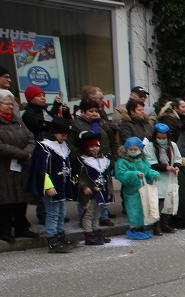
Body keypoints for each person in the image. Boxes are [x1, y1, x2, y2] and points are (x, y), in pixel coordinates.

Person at [28, 117, 77, 253]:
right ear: (54, 132)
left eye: (66, 135)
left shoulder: (62, 146)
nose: (65, 137)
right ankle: (52, 239)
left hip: (62, 185)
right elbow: (40, 169)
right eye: (63, 134)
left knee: (61, 212)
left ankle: (60, 235)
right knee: (53, 213)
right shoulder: (44, 147)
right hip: (52, 187)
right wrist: (48, 186)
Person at [0, 89, 38, 242]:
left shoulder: (17, 119)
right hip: (4, 167)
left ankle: (22, 228)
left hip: (21, 165)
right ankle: (4, 231)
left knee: (21, 197)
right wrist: (22, 153)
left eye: (12, 104)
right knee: (5, 199)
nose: (10, 107)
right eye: (7, 104)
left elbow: (31, 138)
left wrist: (29, 151)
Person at [114, 137, 160, 240]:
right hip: (131, 191)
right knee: (133, 210)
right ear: (126, 149)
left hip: (143, 189)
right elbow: (121, 174)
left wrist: (154, 174)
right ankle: (134, 229)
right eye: (131, 149)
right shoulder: (122, 161)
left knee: (143, 208)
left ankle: (142, 228)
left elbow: (147, 170)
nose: (133, 151)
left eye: (135, 149)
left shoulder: (142, 160)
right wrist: (134, 174)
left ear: (140, 149)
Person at [73, 131, 112, 245]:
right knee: (88, 214)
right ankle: (88, 235)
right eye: (91, 146)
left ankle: (96, 232)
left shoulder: (103, 160)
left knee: (97, 214)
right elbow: (75, 177)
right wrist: (83, 187)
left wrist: (109, 190)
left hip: (101, 192)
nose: (94, 149)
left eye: (96, 146)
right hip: (88, 193)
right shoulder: (81, 161)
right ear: (86, 147)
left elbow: (108, 177)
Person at [145, 123, 180, 234]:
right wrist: (166, 167)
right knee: (158, 203)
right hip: (157, 178)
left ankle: (165, 224)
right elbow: (151, 163)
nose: (161, 140)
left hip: (170, 177)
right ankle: (156, 226)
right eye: (159, 138)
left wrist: (176, 166)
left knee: (168, 202)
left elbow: (178, 158)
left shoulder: (173, 145)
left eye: (164, 138)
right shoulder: (149, 147)